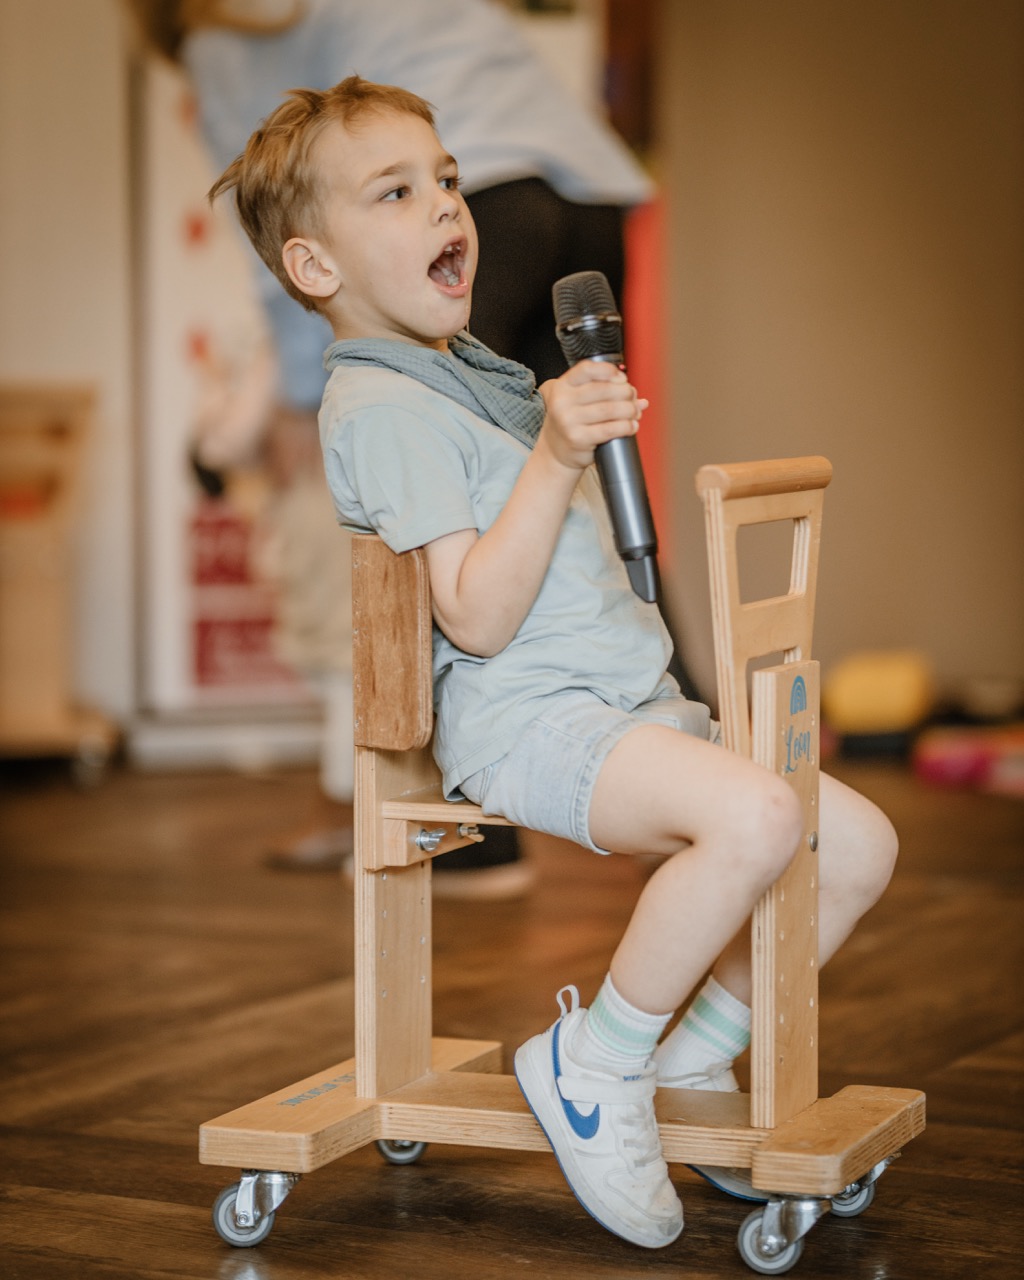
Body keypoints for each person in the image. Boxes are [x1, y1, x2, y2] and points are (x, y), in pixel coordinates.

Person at [208, 76, 900, 1251]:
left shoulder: (465, 375)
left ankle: (685, 1065)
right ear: (316, 269)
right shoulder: (383, 407)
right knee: (751, 818)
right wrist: (557, 456)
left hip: (624, 706)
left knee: (859, 843)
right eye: (397, 191)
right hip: (531, 722)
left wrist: (553, 432)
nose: (445, 208)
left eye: (446, 179)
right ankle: (594, 1060)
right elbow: (473, 616)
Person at [128, 0, 658, 894]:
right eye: (407, 187)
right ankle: (677, 756)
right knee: (590, 481)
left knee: (452, 506)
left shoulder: (218, 46)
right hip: (581, 190)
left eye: (434, 179)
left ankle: (472, 831)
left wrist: (305, 389)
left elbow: (283, 239)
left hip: (504, 199)